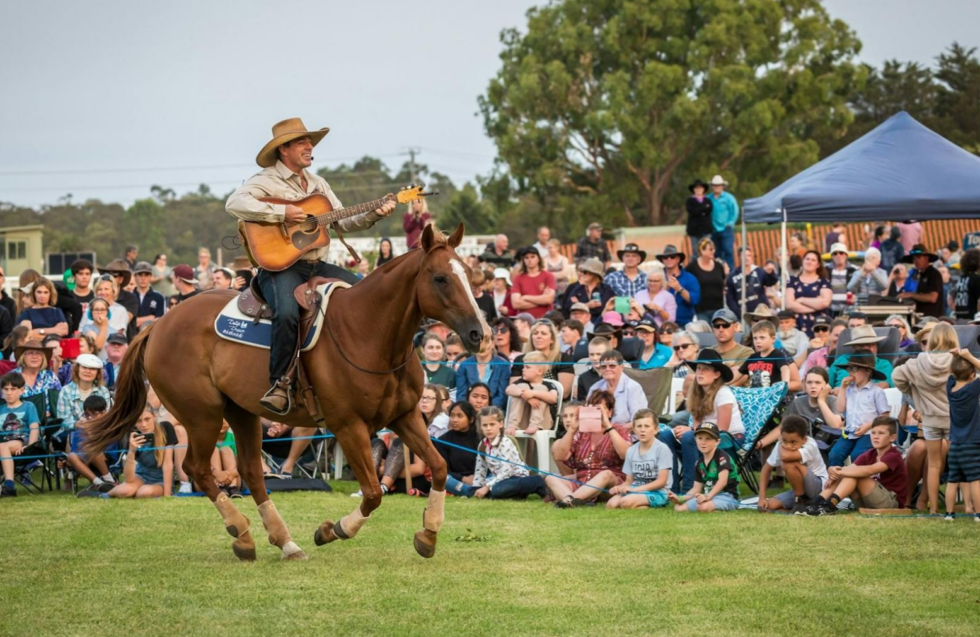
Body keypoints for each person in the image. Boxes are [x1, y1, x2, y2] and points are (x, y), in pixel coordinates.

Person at [225, 118, 396, 413]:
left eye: (310, 143)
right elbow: (234, 204)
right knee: (288, 313)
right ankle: (279, 384)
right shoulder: (265, 180)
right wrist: (281, 213)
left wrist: (375, 213)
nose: (309, 147)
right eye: (303, 142)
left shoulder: (318, 184)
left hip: (317, 266)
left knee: (365, 294)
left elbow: (342, 219)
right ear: (284, 150)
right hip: (279, 268)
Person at [659, 349, 744, 493]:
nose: (700, 373)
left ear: (717, 374)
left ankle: (690, 489)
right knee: (665, 435)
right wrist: (692, 430)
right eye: (698, 369)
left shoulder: (724, 394)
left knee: (689, 436)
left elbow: (722, 430)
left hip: (729, 439)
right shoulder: (698, 393)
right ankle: (670, 489)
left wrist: (692, 431)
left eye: (705, 369)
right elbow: (697, 425)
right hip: (704, 436)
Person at [892, 323, 955, 516]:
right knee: (948, 460)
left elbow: (896, 376)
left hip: (931, 421)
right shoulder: (958, 360)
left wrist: (915, 394)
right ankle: (960, 507)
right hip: (954, 421)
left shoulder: (918, 362)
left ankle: (933, 507)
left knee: (934, 464)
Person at [803, 416, 908, 515]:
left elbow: (870, 470)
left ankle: (829, 505)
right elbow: (850, 469)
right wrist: (833, 470)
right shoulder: (870, 453)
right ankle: (817, 503)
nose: (875, 437)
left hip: (890, 503)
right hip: (866, 500)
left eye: (881, 433)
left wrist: (840, 471)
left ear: (892, 438)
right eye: (873, 433)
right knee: (849, 472)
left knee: (855, 474)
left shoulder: (894, 455)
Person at [548, 391, 632, 507]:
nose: (596, 413)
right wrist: (572, 429)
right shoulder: (581, 432)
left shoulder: (619, 430)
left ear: (609, 412)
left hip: (610, 484)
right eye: (592, 409)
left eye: (600, 410)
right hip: (582, 481)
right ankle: (577, 501)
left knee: (606, 474)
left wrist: (608, 426)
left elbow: (626, 455)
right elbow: (560, 456)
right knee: (551, 478)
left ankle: (568, 500)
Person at [446, 406, 548, 499]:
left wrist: (486, 488)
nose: (488, 428)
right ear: (481, 427)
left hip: (514, 477)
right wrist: (477, 487)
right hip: (498, 480)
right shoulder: (482, 444)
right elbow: (480, 469)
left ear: (501, 424)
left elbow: (506, 472)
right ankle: (513, 495)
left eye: (492, 424)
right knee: (475, 491)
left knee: (497, 490)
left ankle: (537, 481)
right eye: (485, 425)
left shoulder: (505, 442)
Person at [828, 354, 890, 468]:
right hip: (850, 432)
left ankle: (856, 483)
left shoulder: (876, 391)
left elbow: (885, 416)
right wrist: (842, 388)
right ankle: (836, 481)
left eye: (855, 369)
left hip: (868, 433)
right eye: (849, 369)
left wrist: (867, 426)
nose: (851, 372)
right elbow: (840, 408)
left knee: (858, 456)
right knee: (834, 454)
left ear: (868, 371)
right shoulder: (848, 390)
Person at [757, 415, 829, 513]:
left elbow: (785, 457)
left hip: (819, 488)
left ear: (804, 439)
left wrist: (781, 442)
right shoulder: (781, 444)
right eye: (785, 440)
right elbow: (766, 469)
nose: (788, 445)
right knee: (768, 506)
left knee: (788, 463)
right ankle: (801, 500)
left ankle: (800, 502)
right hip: (800, 489)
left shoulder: (810, 444)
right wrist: (762, 498)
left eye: (793, 442)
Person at [603, 409, 672, 509]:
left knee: (626, 502)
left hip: (658, 492)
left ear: (656, 429)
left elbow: (661, 482)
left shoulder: (662, 449)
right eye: (639, 426)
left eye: (647, 426)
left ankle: (647, 506)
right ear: (634, 430)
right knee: (611, 505)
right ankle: (638, 505)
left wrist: (637, 490)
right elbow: (629, 481)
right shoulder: (631, 451)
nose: (642, 430)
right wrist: (619, 487)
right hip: (635, 489)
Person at [667, 422, 741, 512]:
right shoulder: (699, 463)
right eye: (700, 438)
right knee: (679, 508)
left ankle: (717, 508)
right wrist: (681, 499)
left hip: (727, 496)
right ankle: (713, 509)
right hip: (708, 496)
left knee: (703, 507)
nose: (703, 442)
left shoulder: (722, 457)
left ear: (717, 441)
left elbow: (722, 481)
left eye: (708, 439)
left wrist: (708, 496)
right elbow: (696, 489)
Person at [107, 405, 175, 499]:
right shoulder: (134, 437)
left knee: (143, 492)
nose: (144, 425)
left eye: (147, 419)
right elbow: (129, 478)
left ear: (154, 416)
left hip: (160, 479)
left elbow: (168, 464)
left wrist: (167, 495)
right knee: (124, 491)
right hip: (141, 476)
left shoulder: (166, 428)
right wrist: (131, 451)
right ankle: (104, 494)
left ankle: (134, 492)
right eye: (139, 421)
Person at [945, 349, 980, 521]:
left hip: (955, 444)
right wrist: (969, 357)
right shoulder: (973, 389)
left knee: (952, 480)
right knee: (975, 479)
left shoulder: (950, 389)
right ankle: (978, 514)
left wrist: (955, 358)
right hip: (972, 443)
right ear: (972, 375)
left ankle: (949, 514)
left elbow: (952, 373)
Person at [64, 395, 117, 494]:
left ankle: (110, 480)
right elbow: (75, 452)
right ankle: (99, 483)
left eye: (94, 414)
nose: (89, 417)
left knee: (91, 449)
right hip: (85, 459)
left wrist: (90, 433)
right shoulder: (81, 429)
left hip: (105, 458)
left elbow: (109, 449)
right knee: (71, 456)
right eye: (87, 414)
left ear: (104, 412)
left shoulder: (110, 427)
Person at [0, 372, 41, 497]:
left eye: (13, 389)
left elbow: (34, 428)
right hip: (3, 440)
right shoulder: (1, 408)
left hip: (21, 440)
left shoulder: (29, 406)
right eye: (6, 389)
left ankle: (9, 485)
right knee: (2, 445)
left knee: (2, 446)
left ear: (21, 390)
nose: (9, 392)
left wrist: (30, 445)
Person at [509, 319, 574, 398]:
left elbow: (564, 393)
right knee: (522, 385)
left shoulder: (563, 359)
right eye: (535, 333)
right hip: (524, 400)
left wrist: (534, 394)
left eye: (543, 333)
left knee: (541, 388)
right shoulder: (520, 359)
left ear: (552, 339)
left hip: (551, 403)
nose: (539, 336)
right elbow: (513, 389)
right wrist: (529, 396)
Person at [586, 350, 648, 425]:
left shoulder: (633, 388)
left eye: (612, 366)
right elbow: (588, 418)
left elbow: (639, 421)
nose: (607, 369)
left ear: (621, 367)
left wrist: (614, 431)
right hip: (599, 433)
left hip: (626, 433)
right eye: (603, 366)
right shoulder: (595, 388)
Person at [505, 351, 558, 435]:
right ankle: (512, 425)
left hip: (543, 423)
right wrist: (526, 396)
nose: (523, 370)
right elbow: (508, 390)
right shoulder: (520, 382)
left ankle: (535, 424)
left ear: (539, 371)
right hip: (522, 422)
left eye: (527, 367)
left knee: (541, 389)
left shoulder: (548, 385)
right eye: (523, 367)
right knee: (521, 387)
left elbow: (553, 398)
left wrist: (533, 393)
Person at [734, 320, 794, 389]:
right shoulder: (753, 357)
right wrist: (726, 384)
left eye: (762, 338)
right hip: (754, 395)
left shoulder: (777, 354)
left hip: (770, 395)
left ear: (773, 339)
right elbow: (739, 373)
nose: (758, 341)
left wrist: (784, 384)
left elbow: (785, 368)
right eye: (755, 338)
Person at [435, 401, 481, 489]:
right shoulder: (443, 440)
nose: (454, 420)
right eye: (452, 415)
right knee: (445, 480)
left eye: (460, 416)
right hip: (456, 480)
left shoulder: (480, 439)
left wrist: (476, 477)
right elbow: (444, 470)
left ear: (471, 419)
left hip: (479, 478)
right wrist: (463, 478)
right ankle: (471, 491)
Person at [785, 250, 831, 337]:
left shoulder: (824, 282)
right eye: (807, 259)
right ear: (803, 261)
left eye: (813, 260)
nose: (809, 262)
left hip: (819, 325)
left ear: (818, 265)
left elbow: (825, 302)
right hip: (798, 323)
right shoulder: (792, 280)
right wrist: (816, 305)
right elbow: (789, 304)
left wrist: (801, 300)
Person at [725, 247, 778, 321]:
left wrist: (771, 273)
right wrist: (738, 313)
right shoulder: (732, 276)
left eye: (749, 255)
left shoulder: (759, 271)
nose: (747, 258)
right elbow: (730, 298)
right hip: (744, 316)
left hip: (762, 313)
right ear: (739, 257)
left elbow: (771, 282)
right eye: (744, 256)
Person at [456, 340, 509, 408]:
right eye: (478, 342)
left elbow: (502, 397)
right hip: (469, 410)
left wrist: (485, 410)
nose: (482, 346)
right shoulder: (464, 365)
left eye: (486, 341)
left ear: (493, 343)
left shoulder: (503, 366)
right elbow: (461, 396)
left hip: (493, 411)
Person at [656, 245, 700, 327]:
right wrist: (664, 290)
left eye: (672, 256)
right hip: (661, 323)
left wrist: (679, 289)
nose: (669, 259)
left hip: (684, 323)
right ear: (662, 260)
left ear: (678, 259)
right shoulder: (656, 277)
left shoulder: (689, 278)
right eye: (666, 257)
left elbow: (695, 300)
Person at [685, 237, 727, 321]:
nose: (713, 251)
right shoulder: (692, 267)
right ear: (702, 251)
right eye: (710, 249)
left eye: (714, 249)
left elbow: (723, 283)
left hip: (718, 309)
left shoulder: (718, 266)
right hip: (700, 310)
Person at [898, 244, 943, 318]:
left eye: (919, 257)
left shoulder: (934, 274)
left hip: (932, 318)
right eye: (914, 258)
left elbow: (932, 297)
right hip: (920, 317)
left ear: (926, 258)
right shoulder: (919, 275)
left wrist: (910, 295)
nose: (916, 261)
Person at [511, 247, 556, 320]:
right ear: (523, 260)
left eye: (532, 257)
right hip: (524, 321)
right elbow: (516, 304)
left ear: (538, 258)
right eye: (526, 258)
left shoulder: (548, 276)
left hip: (544, 319)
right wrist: (541, 300)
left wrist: (526, 297)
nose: (530, 260)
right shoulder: (518, 278)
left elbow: (549, 299)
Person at [562, 258, 613, 324]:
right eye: (581, 271)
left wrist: (579, 305)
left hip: (600, 325)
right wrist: (587, 305)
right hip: (579, 325)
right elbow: (568, 307)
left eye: (585, 272)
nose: (582, 274)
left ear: (594, 274)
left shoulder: (605, 289)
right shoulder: (577, 288)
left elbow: (600, 309)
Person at [707, 175, 738, 268]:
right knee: (715, 252)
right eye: (715, 185)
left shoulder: (729, 198)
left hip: (726, 229)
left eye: (719, 185)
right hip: (713, 229)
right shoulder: (708, 198)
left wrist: (731, 223)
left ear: (722, 186)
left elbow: (735, 211)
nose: (717, 187)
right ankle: (718, 272)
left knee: (728, 250)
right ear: (712, 186)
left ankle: (731, 273)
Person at [132, 262, 165, 329]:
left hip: (150, 336)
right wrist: (150, 318)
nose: (143, 278)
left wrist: (136, 321)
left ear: (150, 276)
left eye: (146, 275)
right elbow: (126, 322)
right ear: (135, 276)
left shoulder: (158, 297)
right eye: (140, 275)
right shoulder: (129, 296)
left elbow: (159, 322)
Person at [827, 243, 857, 314]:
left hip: (849, 309)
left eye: (841, 253)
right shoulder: (825, 270)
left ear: (846, 255)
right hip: (829, 309)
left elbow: (861, 289)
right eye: (835, 253)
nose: (838, 256)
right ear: (832, 256)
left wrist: (856, 298)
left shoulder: (855, 270)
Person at [953, 248, 980, 321]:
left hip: (959, 318)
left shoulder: (960, 279)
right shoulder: (976, 279)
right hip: (972, 320)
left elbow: (951, 299)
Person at [685, 178, 713, 249]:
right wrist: (703, 209)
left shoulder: (708, 200)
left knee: (707, 249)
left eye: (700, 187)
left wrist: (698, 210)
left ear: (703, 189)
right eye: (696, 188)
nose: (698, 189)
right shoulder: (690, 201)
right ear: (693, 190)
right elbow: (692, 211)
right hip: (694, 231)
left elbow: (709, 210)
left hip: (706, 229)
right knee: (696, 251)